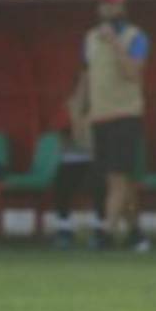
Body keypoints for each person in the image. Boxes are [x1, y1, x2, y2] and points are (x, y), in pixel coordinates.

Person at [66, 0, 150, 252]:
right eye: (103, 3)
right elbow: (87, 75)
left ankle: (105, 232)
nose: (106, 8)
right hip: (100, 115)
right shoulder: (90, 38)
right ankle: (135, 232)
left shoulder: (136, 37)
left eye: (112, 4)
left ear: (122, 7)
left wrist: (115, 43)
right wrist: (78, 109)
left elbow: (133, 74)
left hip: (125, 113)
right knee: (118, 180)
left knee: (117, 177)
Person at [51, 102, 107, 249]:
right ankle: (65, 229)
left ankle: (99, 229)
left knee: (100, 186)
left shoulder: (103, 110)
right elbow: (61, 136)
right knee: (60, 186)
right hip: (70, 161)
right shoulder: (68, 110)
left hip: (95, 161)